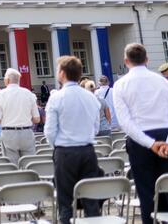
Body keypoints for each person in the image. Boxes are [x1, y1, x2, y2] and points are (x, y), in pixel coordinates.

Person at [113, 43, 168, 224]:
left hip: (140, 141)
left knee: (147, 195)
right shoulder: (164, 82)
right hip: (165, 137)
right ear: (147, 59)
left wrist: (150, 144)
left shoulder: (120, 85)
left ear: (126, 61)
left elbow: (125, 122)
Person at [45, 56, 102, 224]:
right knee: (90, 198)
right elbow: (96, 128)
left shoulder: (56, 98)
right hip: (87, 150)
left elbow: (49, 130)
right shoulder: (91, 97)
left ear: (62, 73)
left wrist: (57, 146)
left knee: (65, 201)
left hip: (65, 151)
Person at [0, 69, 40, 164]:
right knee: (30, 164)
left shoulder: (1, 95)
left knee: (12, 166)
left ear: (7, 80)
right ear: (18, 80)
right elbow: (37, 119)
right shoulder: (29, 94)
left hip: (9, 133)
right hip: (26, 132)